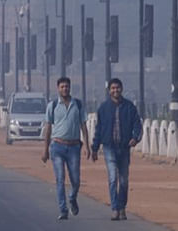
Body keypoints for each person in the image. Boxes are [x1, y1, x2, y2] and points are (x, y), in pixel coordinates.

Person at [91, 78, 142, 221]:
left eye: (117, 88)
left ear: (122, 89)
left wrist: (135, 138)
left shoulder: (129, 107)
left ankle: (122, 208)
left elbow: (137, 125)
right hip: (109, 147)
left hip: (124, 148)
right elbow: (99, 129)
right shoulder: (103, 108)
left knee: (124, 180)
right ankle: (114, 208)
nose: (115, 90)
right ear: (109, 91)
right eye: (113, 88)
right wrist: (94, 148)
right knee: (113, 178)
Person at [41, 77, 90, 221]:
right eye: (62, 87)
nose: (65, 89)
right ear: (58, 88)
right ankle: (63, 209)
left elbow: (84, 126)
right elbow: (48, 128)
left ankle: (72, 197)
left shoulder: (78, 105)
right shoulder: (53, 105)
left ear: (70, 88)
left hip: (74, 147)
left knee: (76, 180)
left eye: (67, 87)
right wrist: (45, 150)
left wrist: (86, 145)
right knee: (60, 179)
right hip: (57, 146)